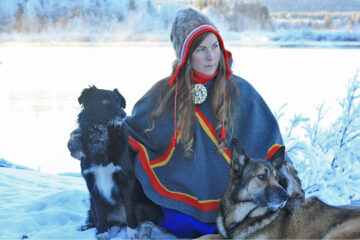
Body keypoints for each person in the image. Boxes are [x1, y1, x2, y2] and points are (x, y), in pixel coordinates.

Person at [68, 7, 305, 239]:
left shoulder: (241, 90)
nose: (211, 56)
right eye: (201, 49)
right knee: (180, 223)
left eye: (215, 47)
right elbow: (133, 129)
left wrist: (289, 179)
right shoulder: (164, 93)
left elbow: (269, 141)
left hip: (238, 196)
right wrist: (83, 136)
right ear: (185, 55)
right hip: (186, 197)